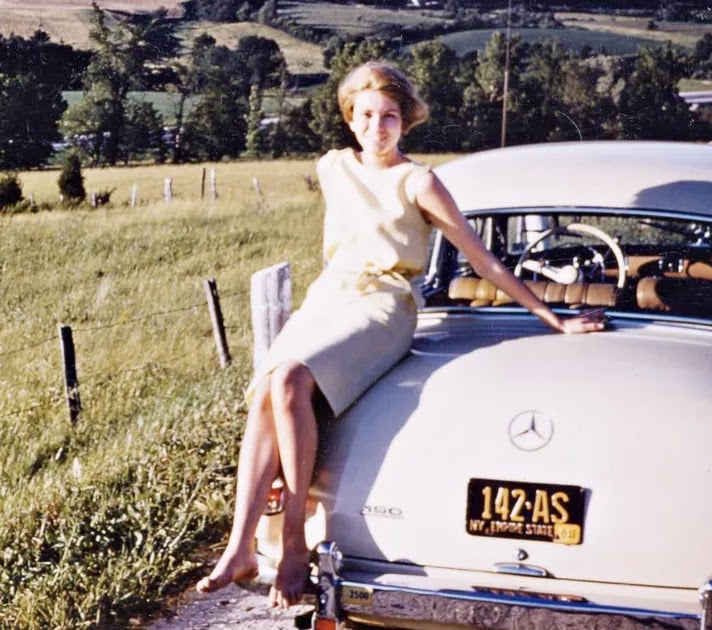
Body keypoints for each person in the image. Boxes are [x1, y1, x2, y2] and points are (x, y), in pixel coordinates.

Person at [195, 61, 604, 608]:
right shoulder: (333, 167)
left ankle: (294, 543)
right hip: (328, 299)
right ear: (350, 118)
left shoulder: (420, 181)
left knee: (290, 377)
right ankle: (240, 546)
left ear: (406, 121)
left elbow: (483, 261)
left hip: (384, 306)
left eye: (390, 116)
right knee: (269, 391)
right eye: (366, 115)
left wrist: (552, 316)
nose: (377, 126)